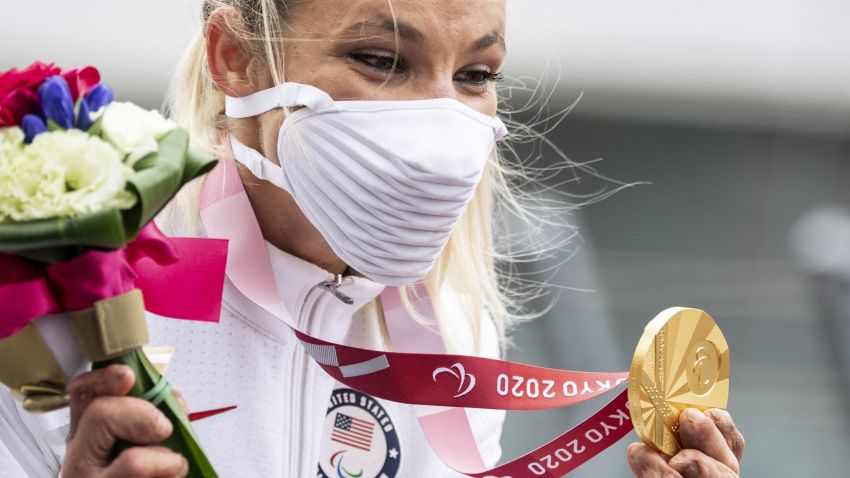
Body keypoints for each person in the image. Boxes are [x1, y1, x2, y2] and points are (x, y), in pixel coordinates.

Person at [0, 1, 745, 477]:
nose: (439, 128)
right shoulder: (76, 311)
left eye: (476, 73)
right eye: (382, 60)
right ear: (235, 56)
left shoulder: (457, 331)